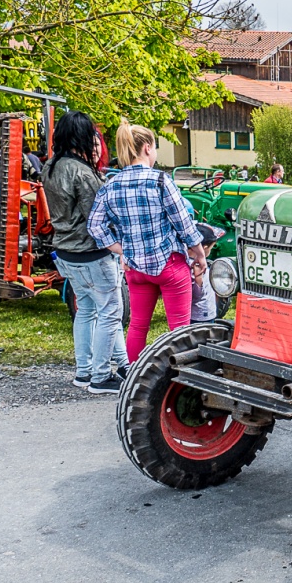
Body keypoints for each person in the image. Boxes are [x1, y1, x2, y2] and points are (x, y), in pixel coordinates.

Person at [88, 120, 206, 363]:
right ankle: (176, 382)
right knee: (179, 329)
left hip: (135, 269)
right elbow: (184, 224)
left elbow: (94, 226)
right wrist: (199, 255)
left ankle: (135, 378)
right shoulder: (161, 181)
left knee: (138, 327)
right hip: (169, 265)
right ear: (147, 148)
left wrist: (122, 249)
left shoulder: (111, 186)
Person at [43, 111, 128, 394]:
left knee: (88, 310)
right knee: (109, 312)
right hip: (92, 252)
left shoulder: (51, 166)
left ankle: (85, 371)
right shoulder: (82, 172)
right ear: (82, 136)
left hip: (66, 251)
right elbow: (98, 218)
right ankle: (101, 376)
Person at [190, 223, 223, 324]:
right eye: (211, 247)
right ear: (204, 248)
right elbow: (197, 295)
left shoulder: (186, 261)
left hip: (200, 314)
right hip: (201, 315)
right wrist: (198, 277)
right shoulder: (197, 266)